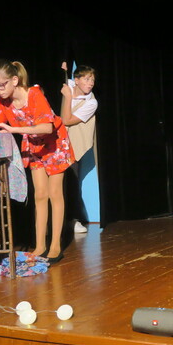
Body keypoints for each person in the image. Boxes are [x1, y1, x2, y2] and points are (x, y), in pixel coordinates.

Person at [0, 59, 74, 264]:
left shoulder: (34, 95)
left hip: (54, 144)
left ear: (14, 80)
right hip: (34, 146)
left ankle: (55, 245)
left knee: (55, 193)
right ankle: (40, 245)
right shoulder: (1, 101)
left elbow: (47, 127)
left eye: (1, 85)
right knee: (40, 194)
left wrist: (13, 129)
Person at [59, 64, 98, 234]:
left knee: (72, 181)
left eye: (92, 80)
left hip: (72, 146)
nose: (91, 83)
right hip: (54, 143)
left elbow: (66, 120)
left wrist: (68, 97)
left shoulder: (91, 102)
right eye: (87, 79)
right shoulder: (66, 84)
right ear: (76, 80)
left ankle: (73, 219)